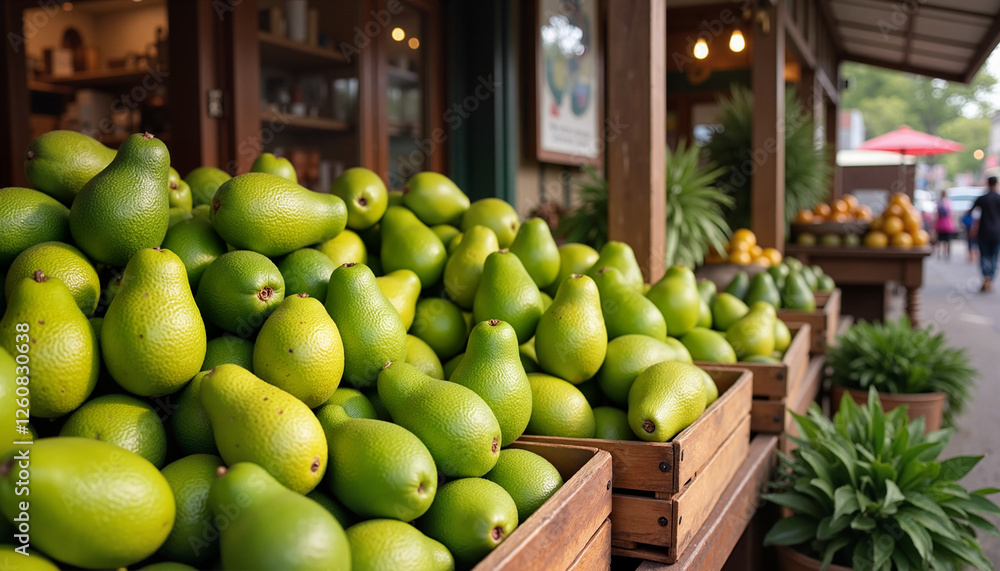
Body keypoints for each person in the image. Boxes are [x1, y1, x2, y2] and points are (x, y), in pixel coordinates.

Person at [969, 176, 1000, 291]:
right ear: (997, 183)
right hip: (997, 233)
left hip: (984, 232)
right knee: (994, 257)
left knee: (983, 256)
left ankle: (986, 277)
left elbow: (970, 211)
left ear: (987, 184)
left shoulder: (982, 198)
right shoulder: (999, 198)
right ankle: (990, 279)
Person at [934, 189, 956, 260]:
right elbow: (952, 214)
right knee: (948, 241)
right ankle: (947, 255)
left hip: (940, 225)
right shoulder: (949, 202)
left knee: (940, 241)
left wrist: (934, 225)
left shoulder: (939, 203)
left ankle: (939, 254)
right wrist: (954, 224)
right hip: (948, 225)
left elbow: (936, 215)